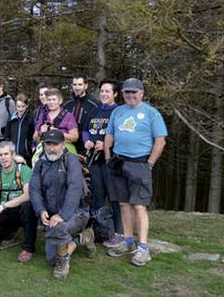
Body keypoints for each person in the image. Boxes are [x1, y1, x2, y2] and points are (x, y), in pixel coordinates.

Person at [104, 78, 167, 267]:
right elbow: (109, 135)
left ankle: (143, 248)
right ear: (122, 94)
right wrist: (108, 158)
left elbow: (160, 140)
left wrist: (149, 163)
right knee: (123, 204)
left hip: (140, 164)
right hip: (118, 163)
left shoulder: (151, 113)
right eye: (127, 92)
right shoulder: (118, 111)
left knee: (139, 206)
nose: (130, 95)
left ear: (141, 93)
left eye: (134, 92)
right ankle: (128, 241)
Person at [29, 129, 95, 279]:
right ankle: (83, 238)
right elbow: (34, 189)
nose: (51, 148)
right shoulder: (40, 162)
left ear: (63, 144)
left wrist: (62, 215)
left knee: (59, 228)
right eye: (48, 144)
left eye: (55, 144)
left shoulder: (71, 160)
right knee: (51, 259)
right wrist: (40, 210)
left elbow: (75, 188)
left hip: (77, 212)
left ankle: (63, 264)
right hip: (54, 214)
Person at [83, 80, 122, 246]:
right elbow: (85, 130)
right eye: (102, 91)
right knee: (97, 197)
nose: (104, 94)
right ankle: (99, 232)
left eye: (108, 91)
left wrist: (108, 144)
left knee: (114, 198)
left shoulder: (119, 112)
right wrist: (87, 142)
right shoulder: (94, 110)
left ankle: (119, 233)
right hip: (94, 160)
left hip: (111, 161)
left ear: (115, 94)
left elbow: (123, 134)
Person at [0, 141, 37, 262]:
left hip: (20, 209)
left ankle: (28, 248)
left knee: (28, 207)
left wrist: (2, 206)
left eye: (6, 154)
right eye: (0, 155)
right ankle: (11, 233)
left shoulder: (24, 170)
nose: (3, 158)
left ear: (13, 154)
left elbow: (27, 196)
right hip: (7, 211)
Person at [33, 89, 78, 158]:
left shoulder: (68, 116)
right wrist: (40, 132)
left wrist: (59, 133)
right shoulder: (43, 116)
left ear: (60, 101)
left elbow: (75, 137)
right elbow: (35, 138)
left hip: (64, 148)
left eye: (54, 99)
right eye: (49, 100)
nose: (51, 102)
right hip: (46, 148)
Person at [63, 75, 99, 155]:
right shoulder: (67, 105)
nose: (77, 88)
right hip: (69, 145)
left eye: (80, 84)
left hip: (87, 145)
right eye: (75, 85)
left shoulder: (94, 105)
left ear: (85, 86)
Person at [5, 93, 35, 165]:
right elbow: (7, 135)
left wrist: (29, 149)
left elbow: (33, 136)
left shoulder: (31, 118)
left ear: (27, 106)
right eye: (18, 106)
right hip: (13, 154)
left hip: (26, 154)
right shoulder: (12, 119)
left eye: (23, 106)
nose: (20, 109)